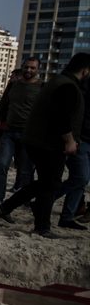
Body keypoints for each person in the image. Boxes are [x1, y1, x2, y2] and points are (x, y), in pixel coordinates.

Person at [0, 53, 89, 236]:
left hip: (37, 140)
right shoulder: (68, 86)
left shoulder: (57, 81)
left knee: (46, 183)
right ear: (85, 71)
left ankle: (7, 207)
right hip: (48, 143)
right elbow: (61, 117)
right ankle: (42, 227)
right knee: (50, 184)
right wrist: (69, 140)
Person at [0, 56, 41, 205]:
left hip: (29, 134)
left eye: (32, 68)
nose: (29, 70)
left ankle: (22, 200)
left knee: (25, 170)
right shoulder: (13, 85)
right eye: (26, 67)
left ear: (38, 70)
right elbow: (1, 108)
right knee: (1, 165)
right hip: (10, 132)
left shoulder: (42, 87)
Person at [56, 73, 90, 229]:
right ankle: (45, 200)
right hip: (80, 140)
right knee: (80, 178)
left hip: (83, 140)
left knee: (81, 181)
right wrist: (71, 139)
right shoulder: (82, 90)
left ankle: (67, 217)